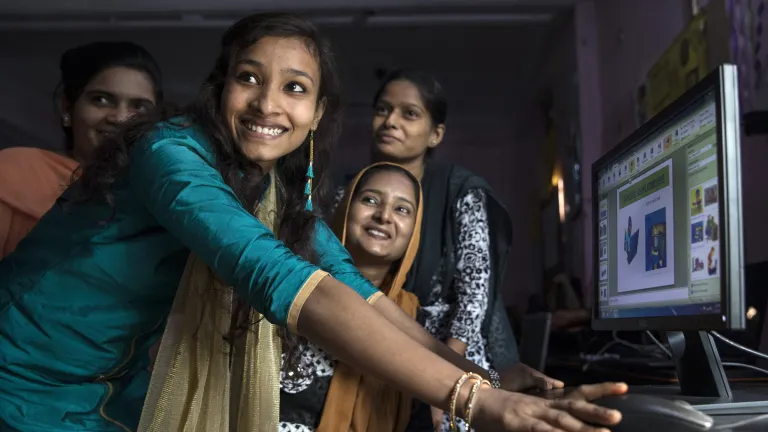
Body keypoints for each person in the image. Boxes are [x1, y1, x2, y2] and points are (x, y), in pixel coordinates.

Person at [0, 13, 625, 432]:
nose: (269, 103)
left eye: (295, 88)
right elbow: (278, 276)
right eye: (249, 78)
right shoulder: (172, 154)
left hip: (109, 392)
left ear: (318, 111)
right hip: (23, 376)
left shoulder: (275, 190)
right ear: (221, 90)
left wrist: (482, 377)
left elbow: (359, 293)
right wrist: (477, 402)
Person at [334, 69, 555, 429]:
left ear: (436, 134)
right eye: (382, 110)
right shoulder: (351, 197)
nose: (390, 121)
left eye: (409, 113)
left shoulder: (461, 192)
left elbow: (473, 296)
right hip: (375, 346)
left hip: (454, 352)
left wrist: (446, 381)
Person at [279, 162, 427, 431]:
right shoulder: (290, 284)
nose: (383, 216)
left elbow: (460, 389)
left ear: (415, 232)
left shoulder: (417, 323)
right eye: (370, 200)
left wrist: (494, 381)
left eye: (402, 209)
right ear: (346, 206)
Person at [0, 41, 162, 258]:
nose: (121, 118)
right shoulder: (16, 171)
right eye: (102, 100)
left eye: (139, 107)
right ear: (67, 106)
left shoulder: (162, 192)